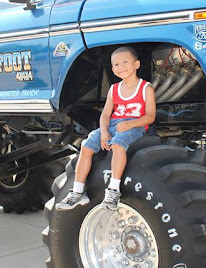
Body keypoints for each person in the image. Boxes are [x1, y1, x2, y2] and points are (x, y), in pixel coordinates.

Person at [56, 46, 156, 211]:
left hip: (135, 124)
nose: (121, 67)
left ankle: (113, 190)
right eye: (116, 64)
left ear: (137, 64)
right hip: (113, 123)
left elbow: (150, 116)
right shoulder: (114, 89)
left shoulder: (145, 88)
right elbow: (105, 115)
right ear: (112, 69)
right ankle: (78, 191)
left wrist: (130, 124)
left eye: (125, 62)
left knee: (118, 144)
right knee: (86, 146)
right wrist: (104, 132)